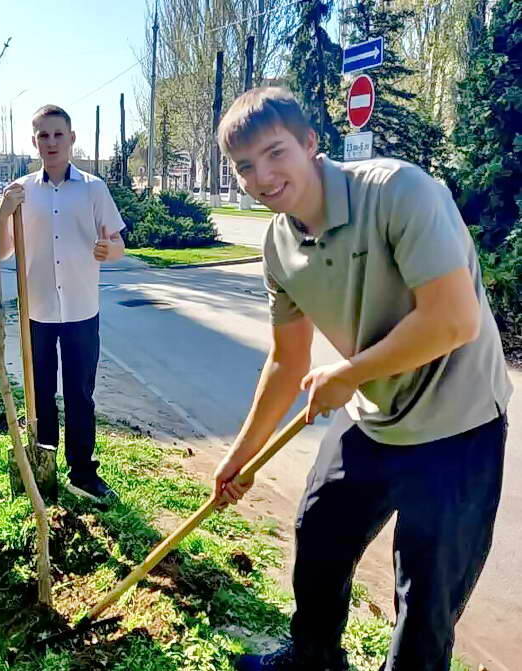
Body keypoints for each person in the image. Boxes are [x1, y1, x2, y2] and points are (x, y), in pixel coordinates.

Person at [212, 87, 512, 671]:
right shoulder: (278, 245)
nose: (263, 176)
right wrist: (241, 456)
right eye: (245, 167)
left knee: (425, 603)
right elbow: (287, 363)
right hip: (376, 419)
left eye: (276, 153)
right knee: (319, 533)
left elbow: (453, 320)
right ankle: (314, 657)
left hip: (460, 427)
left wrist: (350, 373)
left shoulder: (398, 191)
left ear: (310, 144)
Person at [0, 104, 126, 502]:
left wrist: (110, 250)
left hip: (82, 310)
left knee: (79, 394)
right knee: (40, 392)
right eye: (43, 135)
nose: (51, 142)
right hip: (37, 311)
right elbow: (2, 252)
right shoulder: (20, 191)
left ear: (71, 138)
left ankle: (83, 472)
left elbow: (118, 242)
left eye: (58, 134)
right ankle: (44, 467)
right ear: (33, 141)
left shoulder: (93, 188)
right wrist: (4, 213)